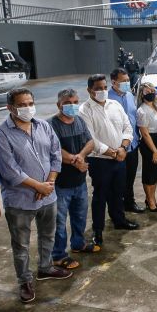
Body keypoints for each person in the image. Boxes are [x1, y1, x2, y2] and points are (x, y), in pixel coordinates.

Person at [0, 87, 72, 305]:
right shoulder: (0, 135)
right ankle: (24, 280)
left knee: (48, 235)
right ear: (10, 107)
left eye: (30, 103)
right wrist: (38, 186)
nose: (27, 108)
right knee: (21, 245)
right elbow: (9, 170)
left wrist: (50, 183)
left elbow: (56, 154)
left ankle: (45, 267)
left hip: (48, 196)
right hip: (20, 200)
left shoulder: (43, 126)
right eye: (22, 105)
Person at [79, 74, 139, 246]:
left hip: (120, 157)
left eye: (105, 88)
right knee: (100, 196)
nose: (103, 91)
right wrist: (113, 153)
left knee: (118, 192)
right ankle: (97, 230)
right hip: (100, 161)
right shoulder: (85, 110)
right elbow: (90, 139)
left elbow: (128, 127)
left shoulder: (115, 105)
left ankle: (119, 220)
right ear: (89, 90)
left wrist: (123, 148)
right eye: (98, 88)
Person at [49, 89, 99, 270]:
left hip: (79, 181)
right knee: (59, 222)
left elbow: (90, 142)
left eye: (75, 102)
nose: (72, 106)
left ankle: (78, 244)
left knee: (79, 216)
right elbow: (53, 149)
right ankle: (58, 255)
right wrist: (75, 161)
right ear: (59, 105)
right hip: (61, 184)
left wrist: (80, 156)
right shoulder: (51, 125)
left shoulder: (79, 121)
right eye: (68, 103)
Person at [109, 69, 146, 214]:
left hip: (133, 144)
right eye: (122, 81)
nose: (126, 83)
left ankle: (129, 202)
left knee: (130, 177)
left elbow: (133, 117)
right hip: (118, 147)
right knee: (118, 181)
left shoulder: (130, 95)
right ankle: (118, 208)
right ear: (113, 82)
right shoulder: (108, 99)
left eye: (127, 80)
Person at [136, 83, 157, 212]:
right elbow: (145, 133)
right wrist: (154, 150)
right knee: (149, 173)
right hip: (149, 143)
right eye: (147, 92)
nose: (151, 93)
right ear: (142, 94)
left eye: (152, 91)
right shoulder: (142, 110)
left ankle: (152, 198)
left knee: (155, 173)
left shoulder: (156, 107)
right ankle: (150, 200)